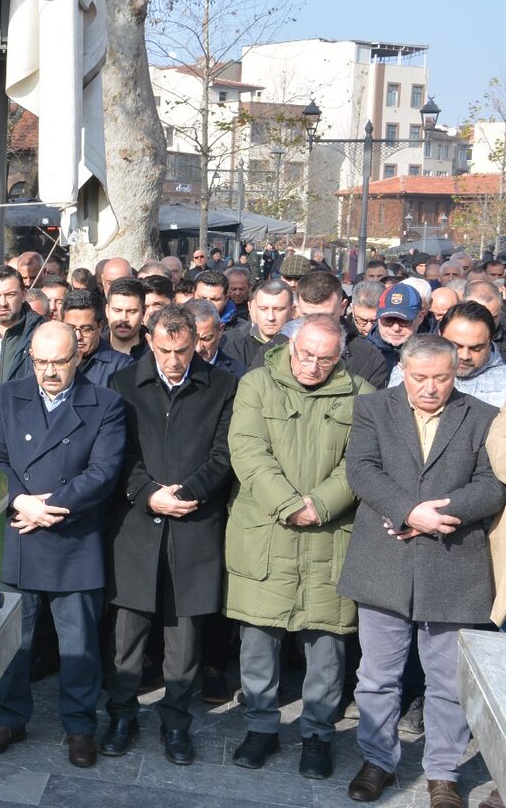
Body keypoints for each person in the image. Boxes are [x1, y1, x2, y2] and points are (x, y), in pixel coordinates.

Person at [340, 334, 504, 807]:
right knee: (377, 673)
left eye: (441, 378)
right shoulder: (373, 409)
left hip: (454, 562)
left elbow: (492, 485)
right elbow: (363, 470)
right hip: (385, 557)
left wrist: (440, 515)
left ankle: (443, 775)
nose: (431, 388)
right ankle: (378, 761)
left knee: (448, 679)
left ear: (456, 373)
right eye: (420, 378)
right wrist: (411, 511)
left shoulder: (481, 416)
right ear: (404, 372)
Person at [224, 315, 369, 779]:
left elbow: (360, 462)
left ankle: (317, 735)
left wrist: (320, 505)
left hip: (330, 535)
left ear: (339, 356)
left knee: (327, 643)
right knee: (259, 639)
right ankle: (260, 728)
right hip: (267, 529)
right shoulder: (256, 384)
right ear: (290, 344)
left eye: (325, 358)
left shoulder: (361, 392)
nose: (312, 365)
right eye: (304, 354)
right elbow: (246, 448)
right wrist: (288, 504)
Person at [0, 322, 126, 766]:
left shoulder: (105, 404)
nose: (49, 371)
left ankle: (80, 727)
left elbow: (103, 473)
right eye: (41, 362)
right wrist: (21, 500)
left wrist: (52, 506)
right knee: (12, 642)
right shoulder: (8, 395)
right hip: (20, 530)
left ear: (77, 356)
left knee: (78, 646)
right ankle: (9, 718)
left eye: (59, 362)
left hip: (72, 537)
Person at [102, 306, 236, 766]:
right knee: (128, 635)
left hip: (194, 526)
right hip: (137, 527)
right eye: (164, 350)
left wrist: (189, 492)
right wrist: (147, 493)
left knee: (185, 639)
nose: (174, 360)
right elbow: (115, 454)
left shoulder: (222, 386)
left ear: (198, 342)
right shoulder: (122, 385)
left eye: (183, 350)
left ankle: (176, 722)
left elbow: (224, 455)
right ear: (150, 339)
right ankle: (121, 715)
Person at [257, 270, 390, 389]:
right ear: (296, 309)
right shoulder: (272, 352)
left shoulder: (368, 358)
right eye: (308, 317)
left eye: (327, 316)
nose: (318, 325)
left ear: (343, 307)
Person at [387, 301, 506, 407]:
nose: (464, 356)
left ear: (490, 342)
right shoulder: (408, 370)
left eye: (476, 348)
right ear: (440, 334)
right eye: (456, 346)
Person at [62, 289, 133, 387]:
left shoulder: (122, 366)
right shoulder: (46, 360)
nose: (78, 336)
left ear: (100, 327)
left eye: (86, 329)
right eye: (71, 328)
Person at [221, 279, 294, 369]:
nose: (270, 317)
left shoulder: (303, 346)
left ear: (292, 310)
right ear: (252, 309)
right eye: (263, 309)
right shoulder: (234, 349)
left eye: (278, 309)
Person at [366, 283, 425, 372]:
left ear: (420, 317)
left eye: (404, 320)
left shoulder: (434, 354)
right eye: (388, 320)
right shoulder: (360, 353)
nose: (396, 328)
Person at [185, 299, 245, 378]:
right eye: (192, 339)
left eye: (206, 339)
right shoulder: (167, 372)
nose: (198, 348)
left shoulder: (239, 374)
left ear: (220, 330)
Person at [104, 277, 148, 359]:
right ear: (107, 311)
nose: (123, 318)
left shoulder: (156, 354)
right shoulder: (92, 350)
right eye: (117, 310)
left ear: (143, 312)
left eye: (131, 311)